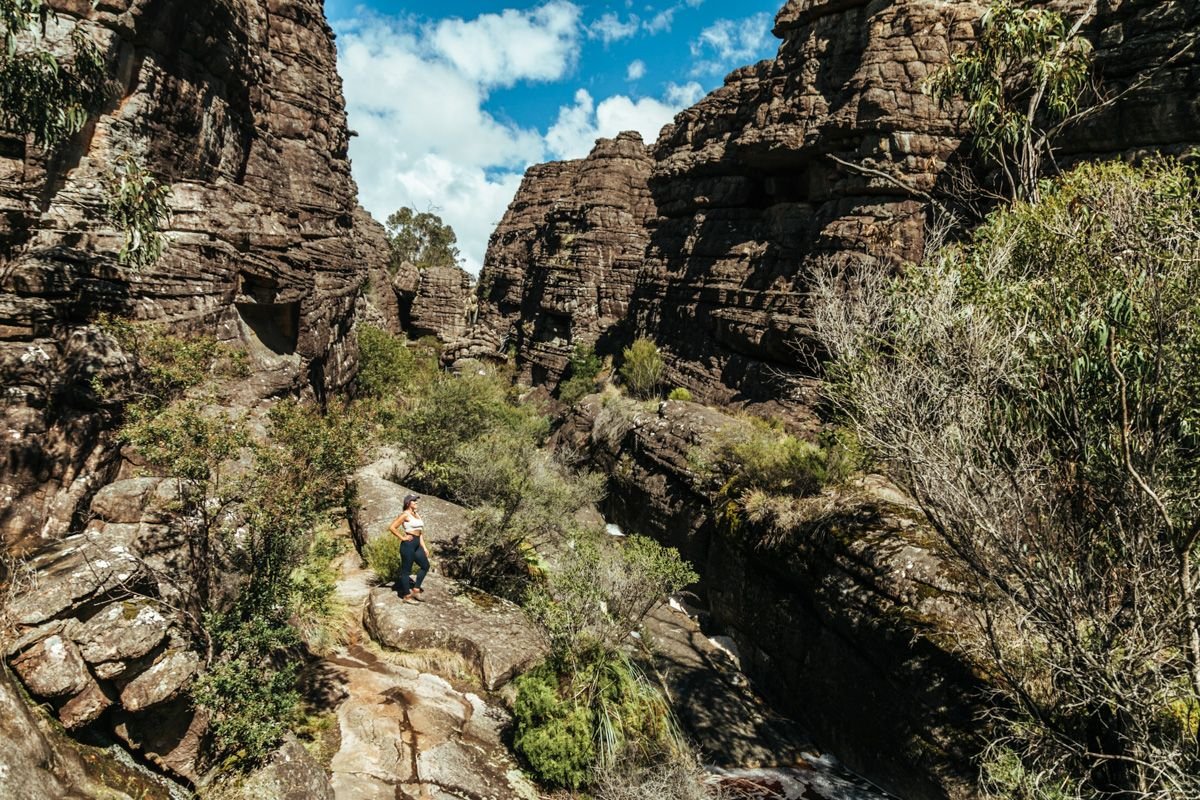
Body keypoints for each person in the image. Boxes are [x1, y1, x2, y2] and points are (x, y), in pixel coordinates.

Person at [388, 493, 430, 603]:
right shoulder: (405, 515)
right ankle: (406, 596)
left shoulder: (417, 514)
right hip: (408, 545)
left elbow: (420, 533)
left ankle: (416, 590)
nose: (416, 502)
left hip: (417, 544)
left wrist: (424, 548)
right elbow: (392, 527)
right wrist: (402, 537)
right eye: (414, 501)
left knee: (425, 566)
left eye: (416, 500)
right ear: (408, 503)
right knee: (406, 571)